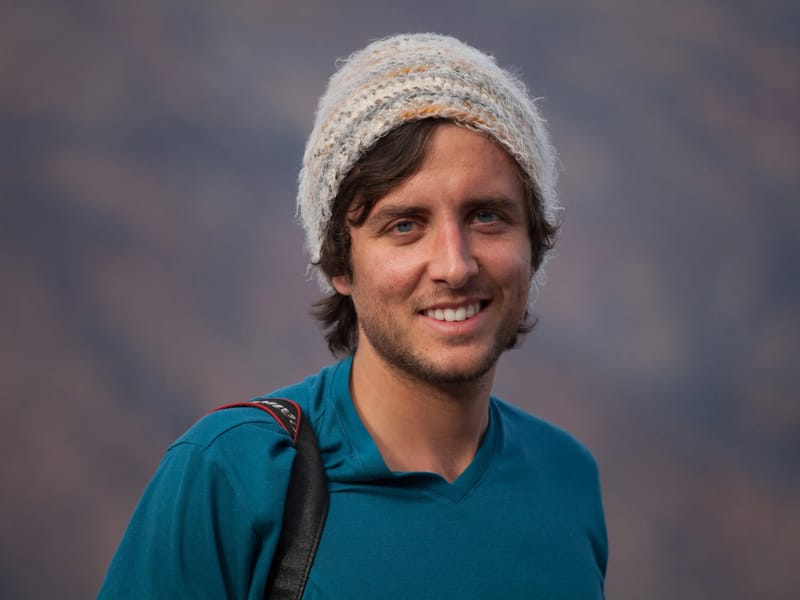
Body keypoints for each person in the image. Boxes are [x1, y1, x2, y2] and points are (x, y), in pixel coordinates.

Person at [99, 33, 608, 599]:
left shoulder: (567, 478)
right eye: (404, 225)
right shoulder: (236, 473)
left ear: (533, 242)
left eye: (486, 216)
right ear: (342, 264)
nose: (455, 265)